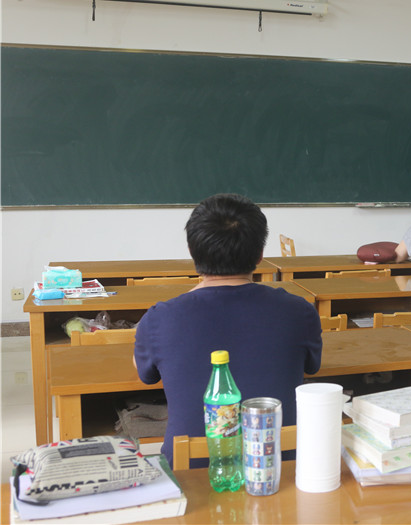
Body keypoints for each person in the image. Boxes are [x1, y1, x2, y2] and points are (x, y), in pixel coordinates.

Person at [134, 193, 322, 466]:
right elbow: (312, 367)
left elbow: (145, 375)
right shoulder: (299, 311)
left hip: (191, 471)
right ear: (260, 254)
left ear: (192, 252)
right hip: (281, 466)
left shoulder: (160, 318)